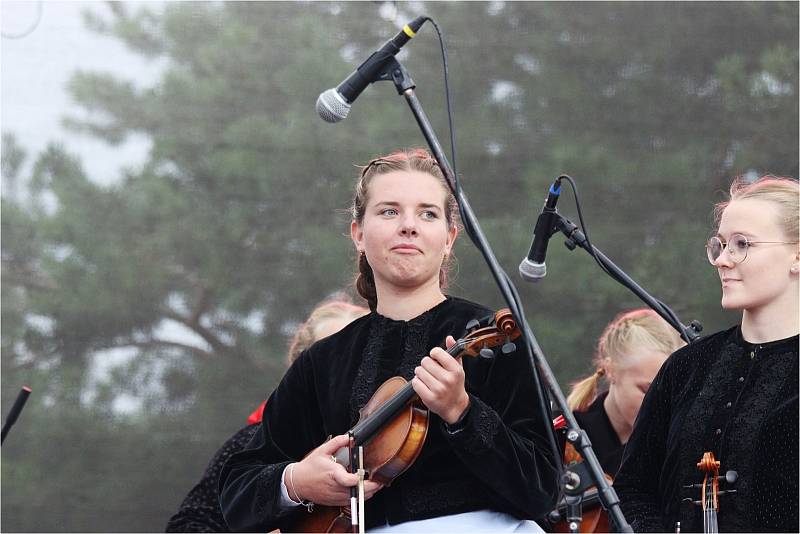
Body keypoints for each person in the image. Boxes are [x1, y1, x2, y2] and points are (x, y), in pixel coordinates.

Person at [218, 148, 560, 532]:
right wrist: (296, 482)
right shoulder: (323, 361)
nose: (408, 226)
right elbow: (236, 489)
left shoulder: (495, 340)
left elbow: (543, 489)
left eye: (427, 213)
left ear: (449, 238)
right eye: (389, 211)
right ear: (358, 234)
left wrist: (463, 412)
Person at [613, 175, 799, 532]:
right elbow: (634, 489)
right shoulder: (685, 367)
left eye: (742, 244)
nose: (723, 260)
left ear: (797, 255)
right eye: (721, 244)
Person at [165, 297, 368, 532]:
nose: (347, 369)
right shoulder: (254, 440)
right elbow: (188, 525)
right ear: (300, 368)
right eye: (330, 356)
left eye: (359, 356)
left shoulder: (399, 434)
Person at [564, 308, 685, 477]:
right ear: (611, 370)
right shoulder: (562, 440)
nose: (659, 408)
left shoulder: (682, 443)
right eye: (646, 391)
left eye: (670, 395)